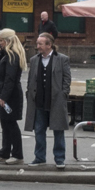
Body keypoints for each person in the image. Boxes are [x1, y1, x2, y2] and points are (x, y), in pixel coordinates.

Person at [24, 30, 71, 166]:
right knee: (39, 130)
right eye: (37, 43)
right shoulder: (34, 60)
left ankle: (60, 159)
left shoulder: (62, 59)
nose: (37, 46)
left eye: (40, 44)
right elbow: (30, 80)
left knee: (58, 130)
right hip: (39, 101)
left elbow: (67, 78)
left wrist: (63, 94)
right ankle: (40, 158)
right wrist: (29, 94)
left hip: (56, 101)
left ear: (49, 45)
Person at [0, 26, 26, 162]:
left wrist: (3, 97)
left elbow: (9, 79)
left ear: (8, 41)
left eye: (1, 41)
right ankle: (5, 152)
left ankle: (17, 154)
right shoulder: (7, 55)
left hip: (10, 95)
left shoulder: (12, 56)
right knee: (5, 123)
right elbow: (0, 70)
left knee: (10, 124)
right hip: (6, 93)